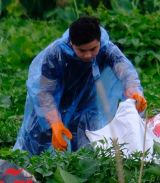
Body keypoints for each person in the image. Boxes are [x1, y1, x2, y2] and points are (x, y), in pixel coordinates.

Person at [14, 16, 146, 155]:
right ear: (72, 43)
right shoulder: (55, 54)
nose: (88, 55)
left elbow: (125, 72)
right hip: (55, 105)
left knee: (86, 152)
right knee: (34, 149)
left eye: (93, 49)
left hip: (87, 105)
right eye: (82, 50)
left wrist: (134, 91)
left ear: (99, 41)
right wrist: (55, 123)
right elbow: (45, 92)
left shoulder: (107, 49)